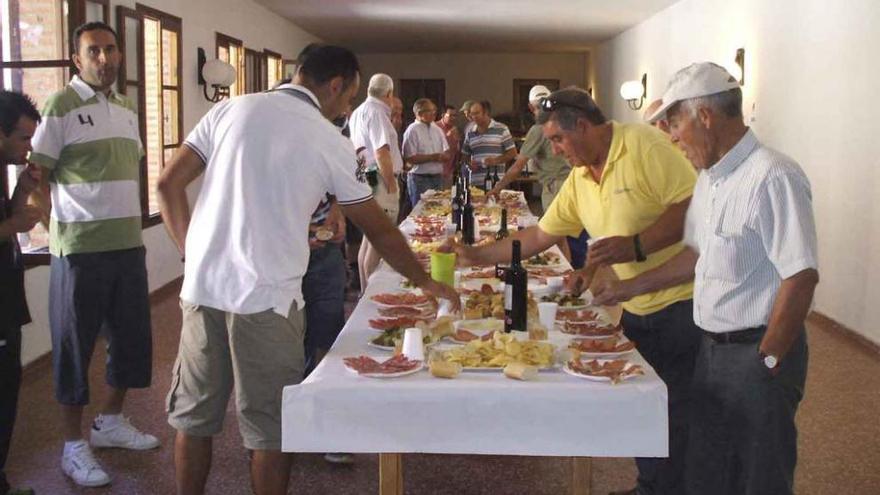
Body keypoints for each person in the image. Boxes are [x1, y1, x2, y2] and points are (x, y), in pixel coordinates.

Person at [157, 44, 459, 495]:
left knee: (194, 420)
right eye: (348, 98)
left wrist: (191, 253)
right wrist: (425, 281)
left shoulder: (229, 109)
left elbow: (167, 184)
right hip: (267, 298)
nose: (347, 108)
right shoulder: (326, 139)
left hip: (202, 289)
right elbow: (379, 229)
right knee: (271, 431)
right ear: (335, 85)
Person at [450, 87, 700, 495]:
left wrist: (635, 245)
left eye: (558, 140)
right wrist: (474, 256)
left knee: (677, 413)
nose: (555, 150)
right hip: (634, 302)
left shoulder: (643, 145)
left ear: (583, 126)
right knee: (649, 411)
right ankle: (651, 487)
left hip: (680, 301)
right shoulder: (582, 176)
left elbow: (694, 207)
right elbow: (540, 235)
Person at [632, 62, 818, 495]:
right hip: (711, 350)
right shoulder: (710, 180)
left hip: (757, 351)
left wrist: (768, 360)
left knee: (759, 476)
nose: (672, 136)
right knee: (709, 471)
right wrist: (628, 287)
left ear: (705, 116)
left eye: (675, 123)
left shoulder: (773, 176)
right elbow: (696, 255)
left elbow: (801, 275)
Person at [29, 22, 158, 488]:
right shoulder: (61, 105)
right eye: (93, 51)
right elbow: (34, 180)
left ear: (119, 55)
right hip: (80, 253)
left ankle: (109, 422)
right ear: (76, 60)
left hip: (127, 246)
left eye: (110, 49)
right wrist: (57, 231)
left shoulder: (125, 108)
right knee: (74, 346)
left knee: (131, 340)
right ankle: (71, 445)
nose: (104, 58)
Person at [486, 85, 587, 267]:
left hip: (557, 188)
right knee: (574, 234)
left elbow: (517, 166)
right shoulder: (564, 122)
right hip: (576, 184)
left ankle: (571, 277)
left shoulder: (539, 128)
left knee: (559, 236)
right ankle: (576, 274)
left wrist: (497, 188)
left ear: (531, 107)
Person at [0, 91, 42, 495]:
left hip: (7, 296)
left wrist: (22, 190)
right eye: (23, 138)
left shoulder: (2, 167)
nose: (28, 146)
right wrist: (13, 226)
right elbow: (7, 226)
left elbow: (8, 217)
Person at [348, 74, 404, 290]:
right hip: (380, 178)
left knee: (369, 238)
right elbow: (382, 152)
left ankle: (364, 290)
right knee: (380, 238)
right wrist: (390, 183)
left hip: (367, 175)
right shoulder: (378, 112)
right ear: (388, 93)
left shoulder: (359, 111)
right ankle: (371, 293)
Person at [402, 98, 450, 207]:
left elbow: (446, 150)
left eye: (434, 110)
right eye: (430, 110)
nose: (434, 113)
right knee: (421, 210)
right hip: (420, 178)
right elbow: (409, 158)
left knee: (438, 210)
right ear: (419, 113)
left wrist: (446, 156)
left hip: (438, 177)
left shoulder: (437, 129)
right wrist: (432, 157)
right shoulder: (412, 130)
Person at [460, 100, 516, 187]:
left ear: (485, 112)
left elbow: (512, 153)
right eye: (472, 114)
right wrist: (469, 163)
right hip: (475, 184)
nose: (474, 117)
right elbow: (464, 156)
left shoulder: (502, 129)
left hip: (496, 182)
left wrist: (496, 160)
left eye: (477, 113)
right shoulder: (470, 132)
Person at [435, 105, 461, 187]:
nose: (453, 118)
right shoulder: (435, 128)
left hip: (449, 172)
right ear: (443, 115)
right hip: (436, 172)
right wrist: (448, 136)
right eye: (451, 115)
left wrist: (457, 140)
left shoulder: (455, 129)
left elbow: (457, 151)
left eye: (455, 116)